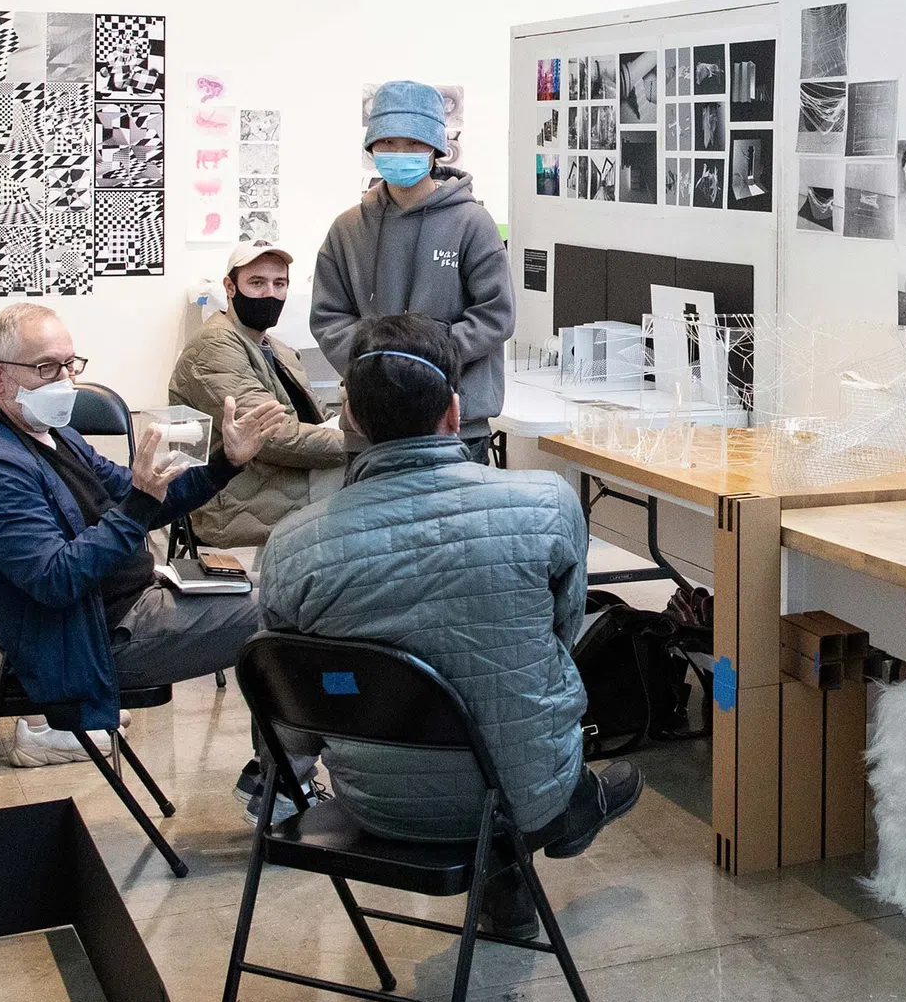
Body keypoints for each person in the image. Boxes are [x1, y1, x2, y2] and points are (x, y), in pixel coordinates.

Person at [259, 314, 645, 935]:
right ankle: (562, 817)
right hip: (523, 789)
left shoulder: (291, 547)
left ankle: (516, 863)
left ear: (350, 418)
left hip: (377, 803)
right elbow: (560, 642)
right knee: (504, 711)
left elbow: (291, 722)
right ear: (454, 411)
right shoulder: (545, 503)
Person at [0, 303, 293, 771]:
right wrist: (138, 506)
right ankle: (280, 783)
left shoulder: (52, 433)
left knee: (290, 588)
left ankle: (282, 775)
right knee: (292, 611)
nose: (64, 380)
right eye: (46, 367)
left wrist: (226, 461)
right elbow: (55, 578)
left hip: (125, 604)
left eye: (70, 364)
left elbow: (148, 497)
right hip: (90, 638)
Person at [312, 81, 516, 458]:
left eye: (413, 143)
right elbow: (328, 318)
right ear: (371, 146)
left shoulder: (472, 223)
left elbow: (495, 316)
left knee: (453, 518)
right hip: (371, 424)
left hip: (455, 425)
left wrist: (424, 358)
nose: (399, 152)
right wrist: (378, 366)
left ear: (435, 149)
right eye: (387, 142)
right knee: (368, 518)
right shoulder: (347, 228)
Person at [168, 244, 350, 547]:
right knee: (377, 491)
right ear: (229, 287)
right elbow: (271, 437)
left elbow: (317, 418)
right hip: (235, 497)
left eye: (280, 284)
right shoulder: (212, 348)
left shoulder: (277, 349)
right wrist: (363, 442)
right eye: (257, 283)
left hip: (279, 478)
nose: (270, 294)